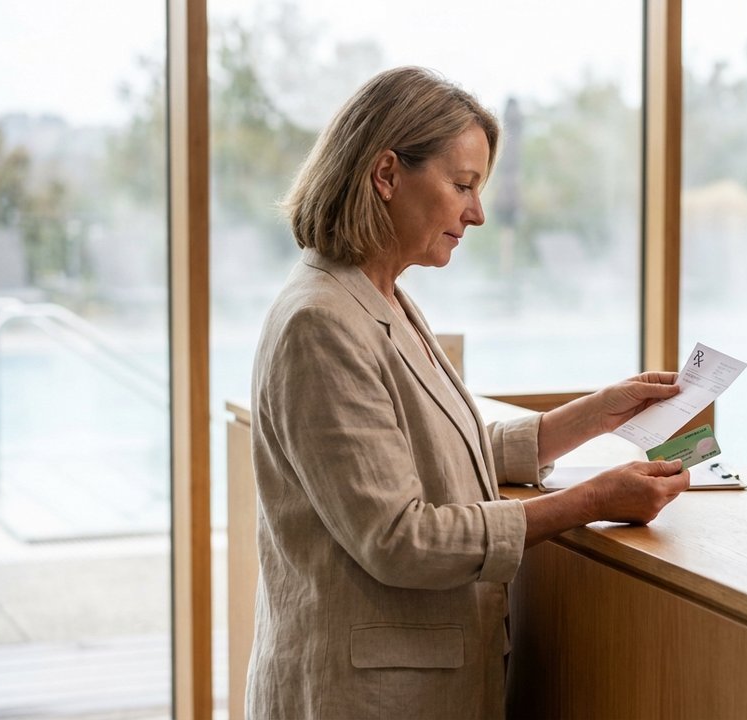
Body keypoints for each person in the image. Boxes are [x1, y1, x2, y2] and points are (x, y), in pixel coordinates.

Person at [246, 66, 692, 719]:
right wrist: (590, 502)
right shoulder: (320, 322)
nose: (477, 213)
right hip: (363, 698)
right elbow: (398, 537)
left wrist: (594, 414)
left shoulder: (381, 297)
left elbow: (433, 453)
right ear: (387, 174)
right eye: (462, 185)